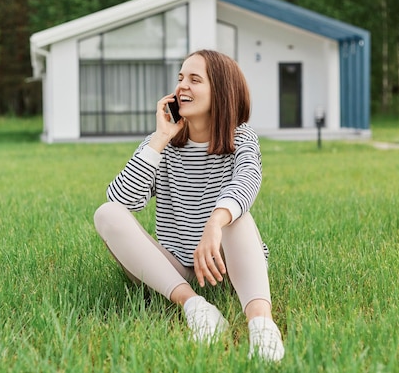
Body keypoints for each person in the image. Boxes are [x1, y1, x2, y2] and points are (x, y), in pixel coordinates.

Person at [93, 49, 285, 362]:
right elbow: (122, 200)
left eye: (195, 79)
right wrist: (159, 139)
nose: (182, 86)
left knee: (236, 217)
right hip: (177, 268)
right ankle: (196, 307)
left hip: (226, 260)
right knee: (106, 213)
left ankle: (262, 325)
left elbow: (247, 182)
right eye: (181, 78)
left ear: (221, 92)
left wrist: (214, 224)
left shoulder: (241, 136)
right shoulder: (162, 142)